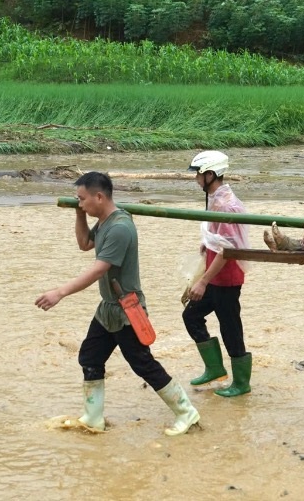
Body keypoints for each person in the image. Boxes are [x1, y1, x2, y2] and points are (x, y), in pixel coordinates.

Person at [35, 171, 200, 435]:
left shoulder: (120, 227)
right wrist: (79, 213)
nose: (81, 203)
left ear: (99, 197)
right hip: (108, 309)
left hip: (126, 309)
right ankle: (93, 417)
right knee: (90, 357)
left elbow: (99, 269)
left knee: (142, 363)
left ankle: (186, 412)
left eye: (83, 199)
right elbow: (84, 244)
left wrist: (60, 292)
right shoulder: (103, 221)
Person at [183, 151, 253, 397]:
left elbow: (227, 250)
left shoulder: (227, 205)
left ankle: (242, 383)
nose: (197, 180)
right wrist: (207, 244)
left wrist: (202, 281)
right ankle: (215, 368)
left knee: (230, 327)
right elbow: (218, 239)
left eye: (199, 175)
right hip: (215, 275)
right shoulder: (216, 199)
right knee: (191, 316)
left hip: (226, 278)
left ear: (210, 175)